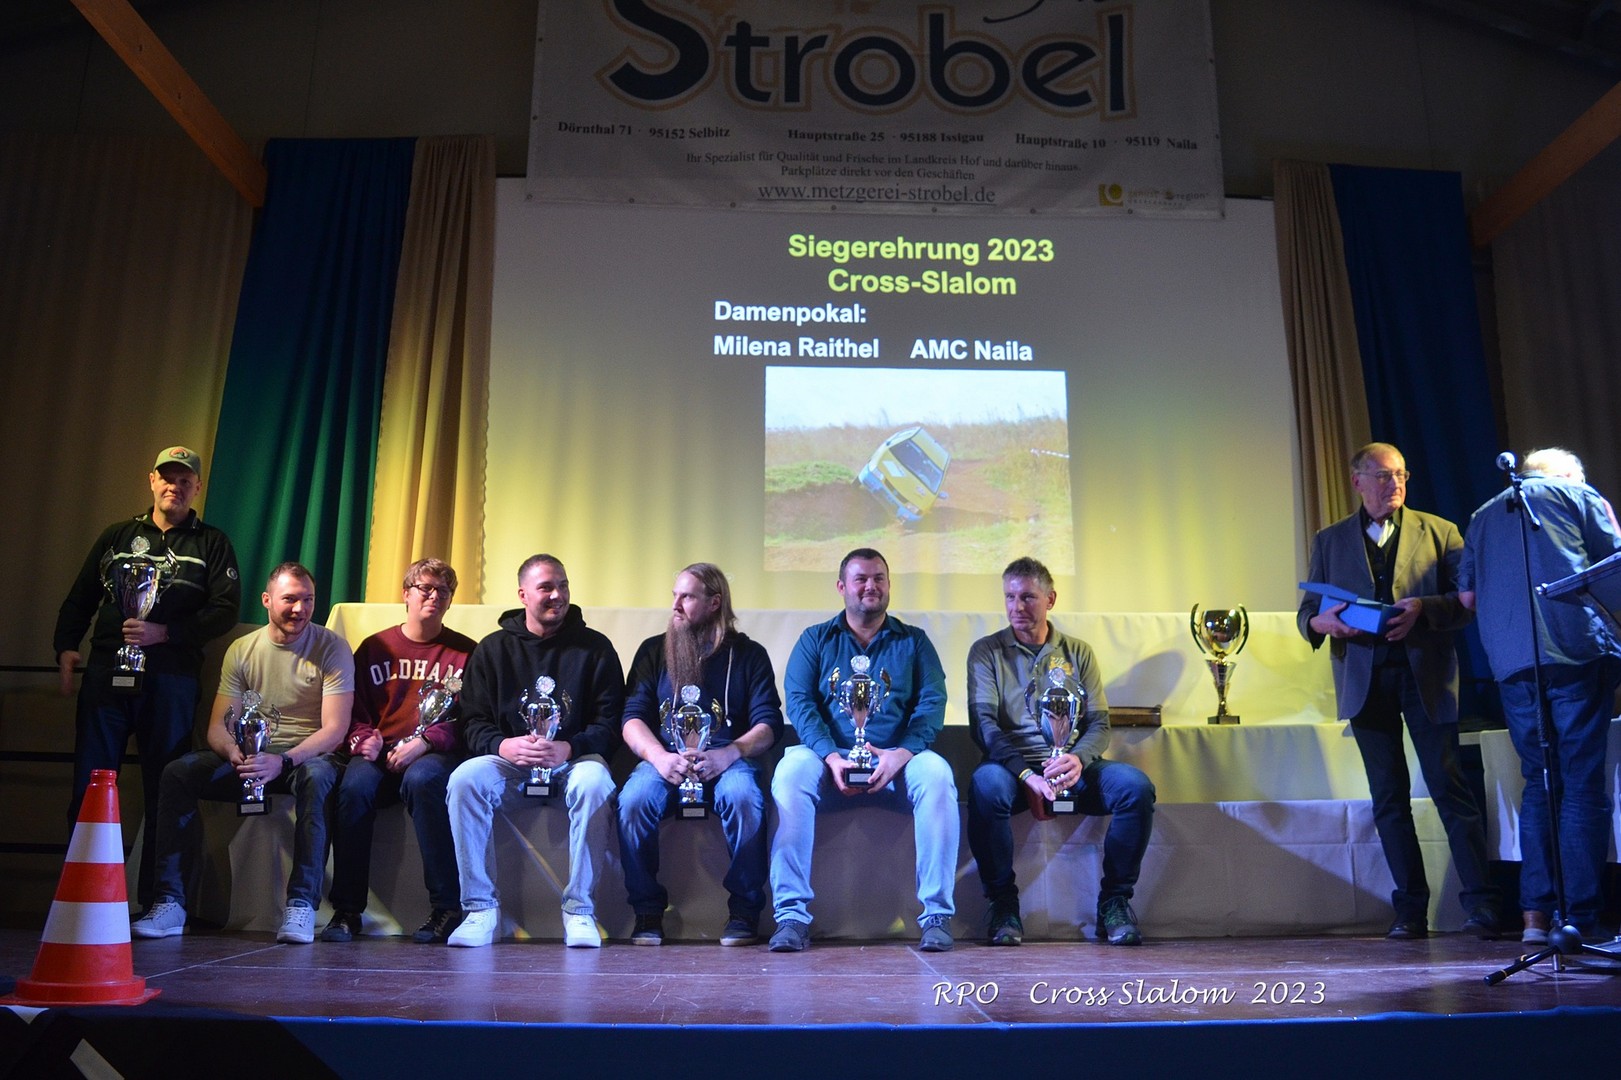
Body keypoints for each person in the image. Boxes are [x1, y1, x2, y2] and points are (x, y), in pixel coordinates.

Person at [1298, 442, 1501, 939]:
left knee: (1450, 789)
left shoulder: (1440, 531)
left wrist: (1424, 609)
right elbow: (1308, 614)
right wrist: (1324, 623)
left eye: (1402, 475)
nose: (1395, 484)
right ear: (1357, 481)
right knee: (1389, 798)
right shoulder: (1329, 540)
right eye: (1384, 476)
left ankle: (1482, 904)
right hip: (1365, 680)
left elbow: (1467, 600)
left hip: (1425, 675)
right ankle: (1410, 909)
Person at [53, 446, 241, 914]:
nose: (175, 486)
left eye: (185, 480)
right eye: (168, 477)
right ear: (152, 480)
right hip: (107, 674)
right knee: (91, 784)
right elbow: (81, 597)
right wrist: (66, 645)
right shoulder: (118, 536)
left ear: (197, 488)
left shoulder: (212, 543)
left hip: (171, 679)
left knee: (167, 787)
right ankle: (83, 899)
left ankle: (161, 900)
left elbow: (224, 611)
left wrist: (166, 632)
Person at [132, 563, 354, 943]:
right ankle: (170, 902)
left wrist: (283, 760)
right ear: (267, 600)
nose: (300, 609)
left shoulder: (332, 647)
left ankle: (301, 905)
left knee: (318, 779)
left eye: (308, 600)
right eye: (290, 599)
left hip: (302, 758)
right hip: (253, 757)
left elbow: (334, 731)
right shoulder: (242, 649)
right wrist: (235, 753)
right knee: (178, 773)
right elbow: (218, 727)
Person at [1459, 447, 1621, 944]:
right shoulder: (1578, 496)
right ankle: (1580, 919)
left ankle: (1535, 915)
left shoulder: (1482, 516)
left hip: (1512, 664)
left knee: (1540, 782)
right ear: (1568, 475)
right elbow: (1615, 567)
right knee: (1582, 784)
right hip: (1574, 653)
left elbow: (1467, 597)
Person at [768, 548, 957, 952]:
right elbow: (799, 702)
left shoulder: (914, 641)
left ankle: (937, 916)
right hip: (829, 760)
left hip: (898, 762)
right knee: (790, 770)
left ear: (889, 585)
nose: (871, 586)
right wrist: (831, 756)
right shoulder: (815, 639)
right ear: (842, 587)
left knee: (938, 774)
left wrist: (902, 754)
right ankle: (791, 917)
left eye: (878, 578)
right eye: (861, 579)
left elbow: (932, 703)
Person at [966, 557, 1156, 946]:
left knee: (1135, 788)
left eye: (1027, 597)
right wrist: (1027, 775)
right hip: (1012, 770)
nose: (1017, 607)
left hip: (1071, 766)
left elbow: (1099, 724)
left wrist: (1078, 760)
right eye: (1009, 597)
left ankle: (1114, 902)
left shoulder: (1078, 652)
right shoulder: (986, 652)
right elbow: (984, 727)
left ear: (1050, 599)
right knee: (985, 787)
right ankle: (1003, 905)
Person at [444, 554, 623, 948]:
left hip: (571, 763)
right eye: (546, 587)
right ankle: (479, 910)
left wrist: (569, 747)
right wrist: (502, 745)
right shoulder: (492, 650)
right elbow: (471, 721)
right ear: (523, 595)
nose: (557, 595)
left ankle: (580, 910)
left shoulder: (596, 649)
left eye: (563, 585)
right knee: (464, 780)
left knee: (595, 781)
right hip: (511, 764)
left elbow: (611, 724)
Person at [617, 563, 783, 946]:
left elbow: (768, 724)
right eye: (674, 596)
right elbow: (631, 718)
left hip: (727, 763)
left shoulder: (749, 655)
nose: (675, 605)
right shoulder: (653, 651)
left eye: (687, 597)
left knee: (744, 798)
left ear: (714, 602)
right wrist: (658, 757)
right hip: (665, 761)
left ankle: (744, 912)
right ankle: (647, 912)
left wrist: (730, 753)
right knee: (634, 800)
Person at [321, 558, 478, 945]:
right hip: (379, 752)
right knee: (354, 787)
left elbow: (472, 719)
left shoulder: (466, 653)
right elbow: (352, 710)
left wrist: (426, 742)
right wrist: (363, 739)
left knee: (424, 781)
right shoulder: (375, 647)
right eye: (425, 588)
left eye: (443, 591)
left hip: (431, 753)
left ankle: (446, 908)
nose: (434, 596)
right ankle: (347, 910)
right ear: (406, 594)